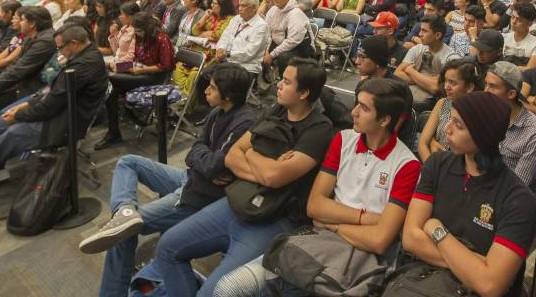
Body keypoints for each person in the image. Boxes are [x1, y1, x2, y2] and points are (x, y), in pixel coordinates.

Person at [213, 78, 419, 296]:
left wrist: (333, 225)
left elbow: (379, 242)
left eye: (364, 108)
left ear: (385, 119)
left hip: (360, 261)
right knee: (228, 288)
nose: (354, 112)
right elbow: (314, 206)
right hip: (316, 242)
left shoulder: (406, 165)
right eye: (356, 103)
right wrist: (366, 218)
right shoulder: (343, 140)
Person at [146, 58, 332, 296]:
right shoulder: (274, 110)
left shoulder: (319, 129)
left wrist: (253, 156)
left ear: (304, 93)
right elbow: (232, 157)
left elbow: (274, 178)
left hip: (275, 217)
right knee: (167, 248)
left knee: (213, 293)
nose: (278, 85)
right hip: (238, 200)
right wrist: (264, 163)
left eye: (286, 82)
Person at [79, 65, 255, 296]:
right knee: (128, 162)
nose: (205, 92)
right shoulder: (216, 112)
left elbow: (212, 164)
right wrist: (205, 160)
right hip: (192, 178)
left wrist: (204, 160)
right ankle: (124, 212)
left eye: (212, 88)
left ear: (229, 94)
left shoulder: (246, 123)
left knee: (122, 235)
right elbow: (197, 151)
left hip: (199, 195)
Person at [0, 25, 107, 213]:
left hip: (59, 125)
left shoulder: (83, 66)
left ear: (74, 43)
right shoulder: (79, 57)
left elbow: (50, 105)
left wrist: (19, 115)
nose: (59, 51)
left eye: (61, 47)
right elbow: (50, 93)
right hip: (51, 113)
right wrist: (25, 106)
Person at [402, 91, 536, 297]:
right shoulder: (437, 164)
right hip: (422, 282)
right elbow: (410, 238)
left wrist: (437, 230)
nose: (447, 128)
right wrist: (476, 264)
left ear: (483, 135)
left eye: (459, 125)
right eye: (450, 120)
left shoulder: (518, 199)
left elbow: (490, 286)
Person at [97, 12, 174, 150]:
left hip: (153, 77)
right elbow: (135, 58)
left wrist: (140, 70)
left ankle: (124, 115)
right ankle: (114, 133)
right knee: (111, 92)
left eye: (138, 30)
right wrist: (122, 65)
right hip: (137, 69)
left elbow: (166, 66)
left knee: (109, 78)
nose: (136, 32)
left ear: (147, 27)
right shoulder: (141, 36)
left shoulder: (162, 38)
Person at [484, 62, 536, 208]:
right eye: (486, 84)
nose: (485, 91)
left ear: (511, 94)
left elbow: (518, 186)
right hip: (486, 188)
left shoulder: (535, 133)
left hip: (518, 203)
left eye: (493, 86)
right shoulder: (487, 114)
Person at [417, 59, 480, 162]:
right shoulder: (443, 103)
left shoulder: (476, 113)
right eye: (445, 81)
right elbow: (422, 143)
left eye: (452, 83)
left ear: (469, 87)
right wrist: (431, 169)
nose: (446, 87)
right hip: (435, 163)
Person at [395, 14, 456, 112]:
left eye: (424, 31)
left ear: (437, 35)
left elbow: (436, 88)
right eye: (420, 29)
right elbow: (397, 74)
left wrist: (410, 71)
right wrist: (426, 79)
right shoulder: (417, 48)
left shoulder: (451, 58)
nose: (419, 34)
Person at [264, 0, 316, 75]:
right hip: (279, 42)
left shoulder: (295, 13)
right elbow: (267, 33)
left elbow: (292, 41)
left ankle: (285, 83)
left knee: (284, 57)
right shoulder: (273, 10)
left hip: (300, 47)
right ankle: (260, 82)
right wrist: (266, 51)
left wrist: (271, 55)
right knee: (259, 51)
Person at [503, 2, 536, 70]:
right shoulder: (503, 38)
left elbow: (530, 70)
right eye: (513, 17)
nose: (513, 22)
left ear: (530, 23)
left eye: (519, 20)